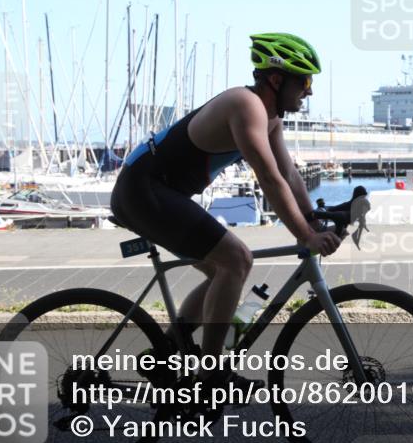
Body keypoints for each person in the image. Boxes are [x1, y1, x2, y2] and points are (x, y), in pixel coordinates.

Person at [110, 32, 342, 391]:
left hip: (159, 191)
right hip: (143, 189)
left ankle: (166, 353)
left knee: (224, 270)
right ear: (277, 79)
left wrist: (312, 218)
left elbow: (289, 174)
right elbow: (267, 177)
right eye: (305, 81)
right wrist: (306, 236)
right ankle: (211, 374)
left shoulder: (270, 117)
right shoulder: (244, 105)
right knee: (236, 259)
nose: (309, 91)